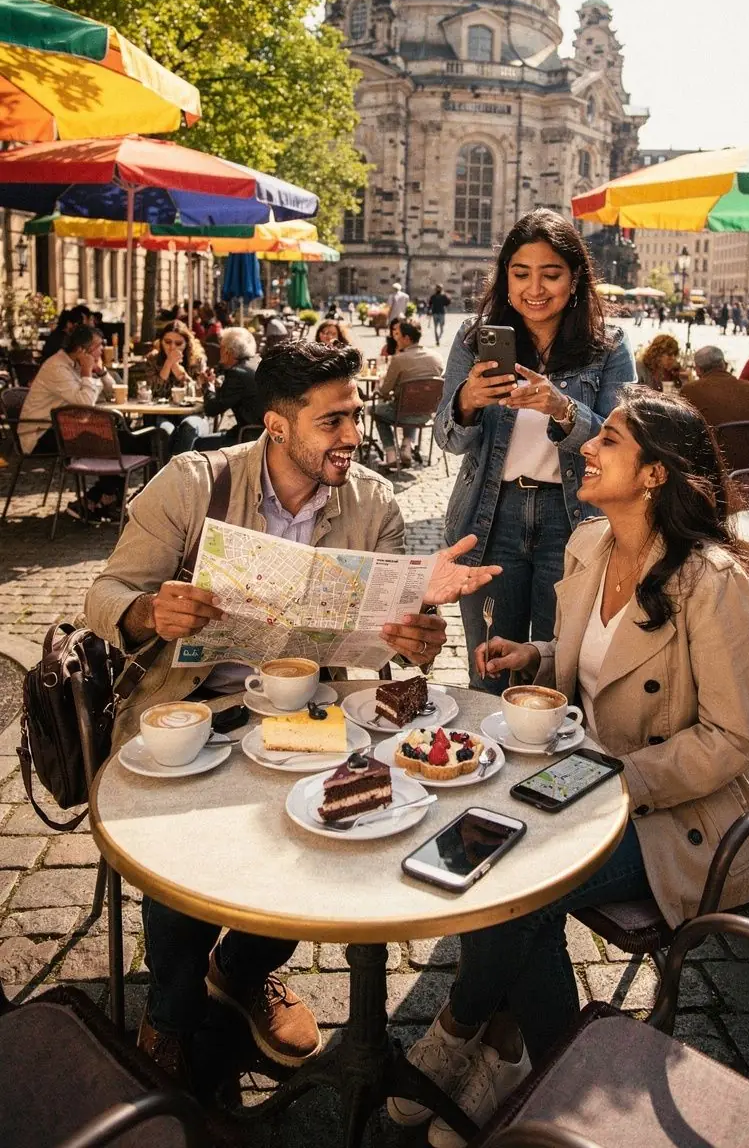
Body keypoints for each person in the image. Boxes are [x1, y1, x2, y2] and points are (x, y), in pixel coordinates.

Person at [84, 339, 500, 1089]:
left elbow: (395, 649)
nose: (353, 435)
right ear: (277, 426)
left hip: (316, 713)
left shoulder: (373, 501)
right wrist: (150, 609)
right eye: (333, 421)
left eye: (357, 415)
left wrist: (414, 639)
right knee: (183, 848)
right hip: (196, 704)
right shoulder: (194, 482)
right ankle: (172, 1015)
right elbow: (104, 596)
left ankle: (242, 970)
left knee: (329, 840)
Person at [393, 388, 749, 1147]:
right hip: (582, 777)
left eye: (607, 439)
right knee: (469, 840)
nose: (585, 448)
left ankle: (471, 1031)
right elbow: (590, 656)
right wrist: (532, 656)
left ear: (655, 476)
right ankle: (528, 1055)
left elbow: (734, 742)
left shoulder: (715, 584)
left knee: (519, 891)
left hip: (690, 813)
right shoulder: (589, 544)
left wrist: (616, 783)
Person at [434, 208, 636, 693]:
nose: (535, 288)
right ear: (505, 278)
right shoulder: (473, 339)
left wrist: (562, 408)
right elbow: (447, 438)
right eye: (521, 273)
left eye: (551, 274)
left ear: (575, 280)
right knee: (489, 668)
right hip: (490, 514)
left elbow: (624, 444)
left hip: (572, 523)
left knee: (555, 674)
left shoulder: (607, 347)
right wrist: (465, 403)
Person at [19, 324, 150, 521]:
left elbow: (112, 392)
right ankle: (104, 499)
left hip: (66, 429)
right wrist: (88, 371)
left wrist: (101, 371)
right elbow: (85, 403)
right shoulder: (57, 367)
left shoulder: (76, 365)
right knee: (123, 442)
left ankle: (98, 499)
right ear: (82, 350)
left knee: (117, 439)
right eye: (98, 346)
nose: (101, 350)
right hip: (40, 433)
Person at [170, 327, 264, 453]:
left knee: (193, 443)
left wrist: (207, 386)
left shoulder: (237, 373)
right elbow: (234, 395)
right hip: (261, 434)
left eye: (221, 347)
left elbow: (212, 409)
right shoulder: (256, 363)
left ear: (227, 352)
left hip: (248, 438)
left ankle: (178, 470)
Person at [373, 319, 443, 469]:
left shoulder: (399, 359)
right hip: (427, 414)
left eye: (399, 335)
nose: (396, 338)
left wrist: (378, 387)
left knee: (376, 411)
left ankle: (391, 455)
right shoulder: (437, 357)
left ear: (406, 338)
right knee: (413, 404)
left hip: (402, 413)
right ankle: (406, 446)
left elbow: (385, 391)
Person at [145, 320, 209, 456]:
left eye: (178, 343)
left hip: (192, 413)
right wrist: (168, 364)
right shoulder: (153, 359)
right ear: (161, 342)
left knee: (188, 428)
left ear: (187, 344)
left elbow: (199, 392)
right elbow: (154, 392)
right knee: (165, 431)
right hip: (163, 413)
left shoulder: (197, 360)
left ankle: (176, 472)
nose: (172, 347)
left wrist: (181, 374)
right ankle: (169, 472)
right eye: (167, 342)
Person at [680, 345, 749, 427]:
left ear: (698, 370)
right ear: (724, 365)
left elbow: (682, 421)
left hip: (714, 439)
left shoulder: (691, 389)